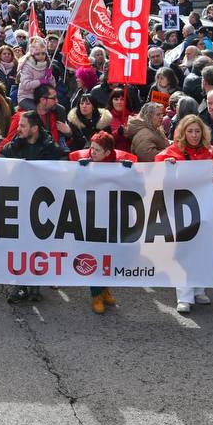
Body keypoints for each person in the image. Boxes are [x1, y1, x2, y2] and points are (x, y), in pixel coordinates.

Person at [155, 114, 213, 314]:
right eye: (190, 131)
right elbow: (157, 165)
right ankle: (184, 296)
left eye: (197, 131)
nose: (194, 135)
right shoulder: (172, 151)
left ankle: (199, 289)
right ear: (182, 132)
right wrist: (167, 163)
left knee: (204, 250)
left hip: (207, 211)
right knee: (183, 252)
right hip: (181, 211)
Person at [2, 111, 66, 302]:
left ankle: (35, 285)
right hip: (20, 203)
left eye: (22, 126)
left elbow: (64, 169)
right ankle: (20, 285)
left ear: (35, 129)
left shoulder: (50, 148)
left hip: (42, 206)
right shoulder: (14, 146)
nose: (18, 129)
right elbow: (1, 159)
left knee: (39, 244)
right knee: (20, 245)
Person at [71, 131, 131, 314]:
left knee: (110, 255)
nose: (91, 152)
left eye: (96, 150)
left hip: (113, 217)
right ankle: (96, 294)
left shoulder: (119, 164)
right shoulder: (85, 163)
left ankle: (105, 290)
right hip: (92, 218)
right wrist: (79, 172)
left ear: (107, 152)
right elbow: (72, 187)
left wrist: (131, 173)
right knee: (95, 255)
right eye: (91, 148)